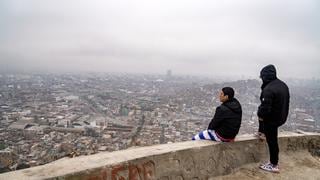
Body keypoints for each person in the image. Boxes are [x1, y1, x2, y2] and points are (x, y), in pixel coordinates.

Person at [257, 64, 290, 173]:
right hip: (281, 116)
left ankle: (273, 164)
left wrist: (260, 116)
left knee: (272, 141)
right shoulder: (283, 85)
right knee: (272, 139)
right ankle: (262, 132)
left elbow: (265, 109)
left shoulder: (269, 89)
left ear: (265, 77)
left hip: (272, 120)